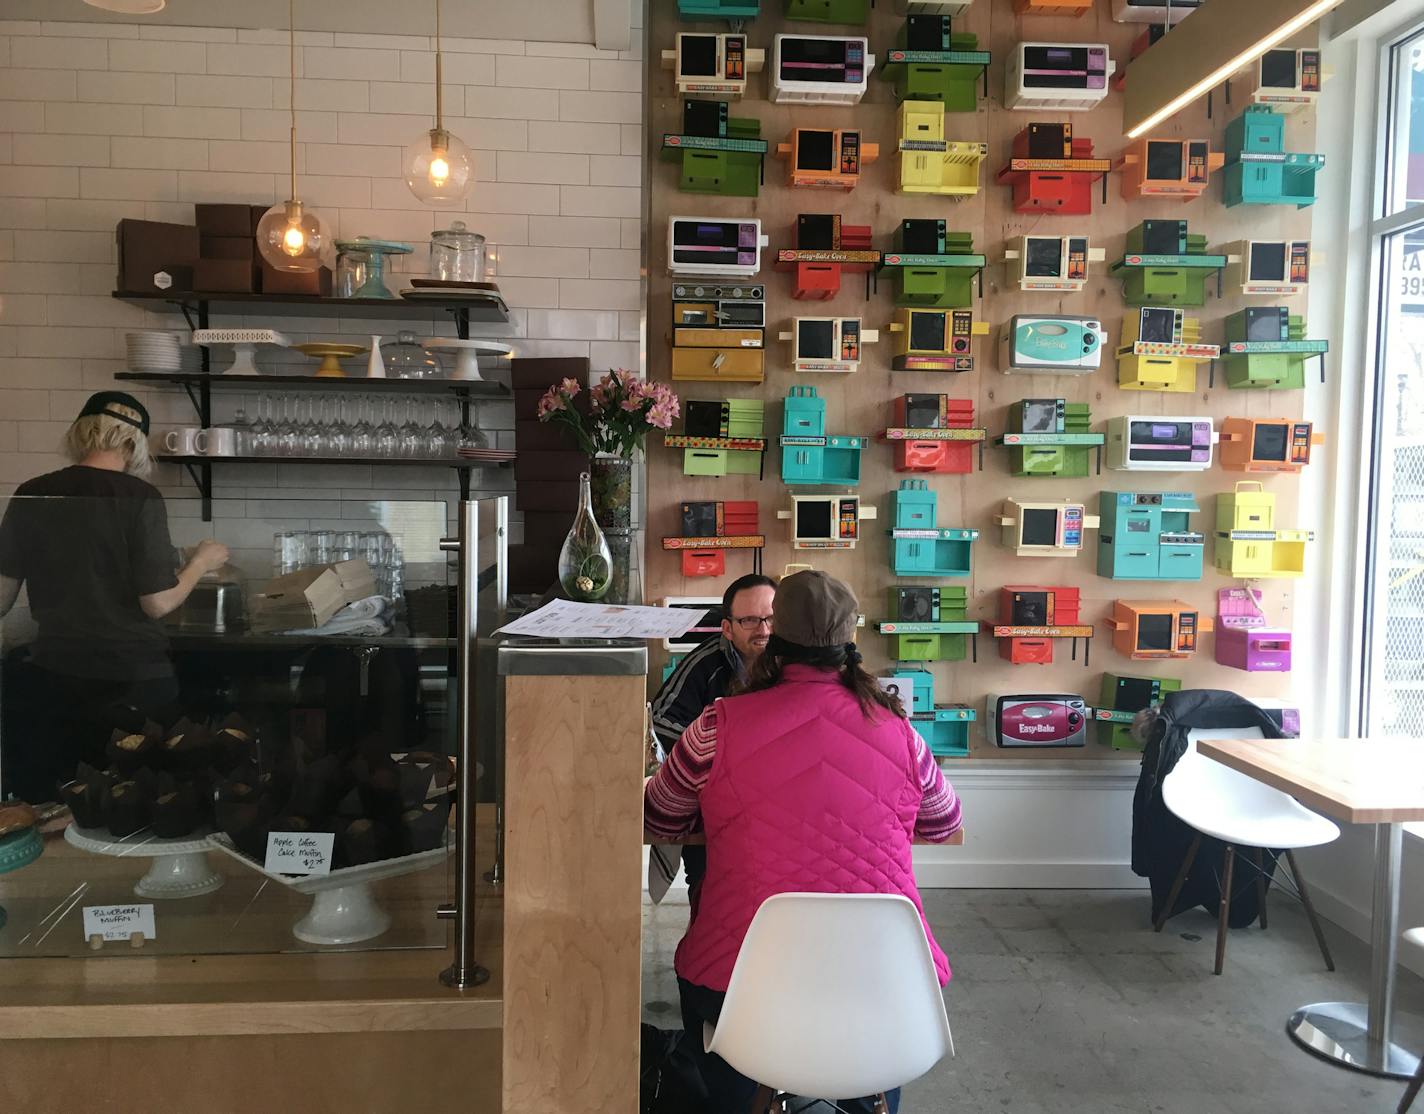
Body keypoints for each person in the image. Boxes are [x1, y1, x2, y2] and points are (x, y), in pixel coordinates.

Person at [644, 571, 962, 1114]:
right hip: (886, 985)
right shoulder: (901, 731)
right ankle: (865, 1094)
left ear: (775, 636)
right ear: (850, 640)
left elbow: (658, 816)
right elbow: (943, 822)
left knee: (706, 986)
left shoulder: (717, 726)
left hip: (743, 990)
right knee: (869, 1029)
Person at [0, 392, 229, 801]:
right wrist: (202, 562)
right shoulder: (139, 498)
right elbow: (157, 602)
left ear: (82, 433)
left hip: (57, 674)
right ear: (133, 443)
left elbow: (1, 598)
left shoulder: (32, 493)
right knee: (143, 798)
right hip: (133, 678)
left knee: (66, 803)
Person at [647, 572, 777, 906]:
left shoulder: (792, 665)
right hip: (714, 809)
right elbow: (660, 724)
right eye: (749, 620)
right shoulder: (705, 665)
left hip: (775, 807)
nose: (763, 630)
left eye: (771, 618)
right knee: (708, 886)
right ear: (727, 628)